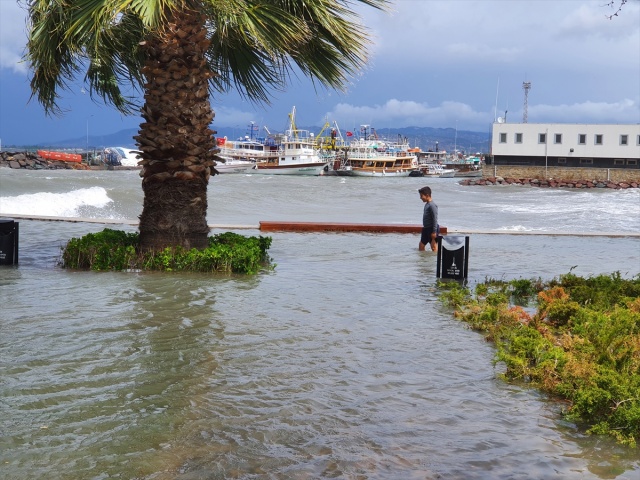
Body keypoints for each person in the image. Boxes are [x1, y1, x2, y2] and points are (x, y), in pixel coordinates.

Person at [418, 186, 438, 252]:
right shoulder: (427, 204)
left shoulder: (432, 205)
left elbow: (435, 219)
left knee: (434, 248)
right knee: (421, 246)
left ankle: (435, 260)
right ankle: (425, 261)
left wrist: (434, 232)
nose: (420, 198)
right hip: (426, 228)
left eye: (421, 196)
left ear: (427, 195)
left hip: (432, 229)